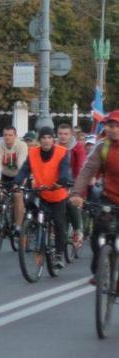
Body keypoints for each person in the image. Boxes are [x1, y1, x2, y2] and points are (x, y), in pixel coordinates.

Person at [11, 126, 72, 271]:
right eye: (43, 138)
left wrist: (62, 180)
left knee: (58, 222)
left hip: (57, 193)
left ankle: (58, 254)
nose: (46, 140)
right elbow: (24, 170)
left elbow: (64, 170)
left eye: (49, 137)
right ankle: (30, 229)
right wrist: (16, 183)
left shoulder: (62, 152)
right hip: (41, 191)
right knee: (29, 205)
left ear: (53, 139)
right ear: (39, 140)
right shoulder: (33, 153)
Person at [70, 110, 119, 281]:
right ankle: (98, 270)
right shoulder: (102, 147)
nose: (113, 129)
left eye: (117, 126)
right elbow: (87, 171)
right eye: (110, 126)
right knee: (98, 230)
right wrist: (77, 194)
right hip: (110, 197)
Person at [57, 123, 85, 247]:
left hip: (73, 181)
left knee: (71, 203)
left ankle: (78, 231)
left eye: (66, 134)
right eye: (60, 134)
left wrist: (77, 187)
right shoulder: (54, 146)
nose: (63, 137)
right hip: (58, 182)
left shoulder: (77, 148)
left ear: (71, 135)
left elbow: (80, 167)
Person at [0, 126, 28, 229]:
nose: (7, 138)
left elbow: (21, 164)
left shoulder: (21, 145)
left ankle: (18, 226)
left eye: (10, 135)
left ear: (15, 136)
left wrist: (20, 183)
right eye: (5, 135)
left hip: (17, 175)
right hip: (3, 175)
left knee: (18, 195)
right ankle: (0, 214)